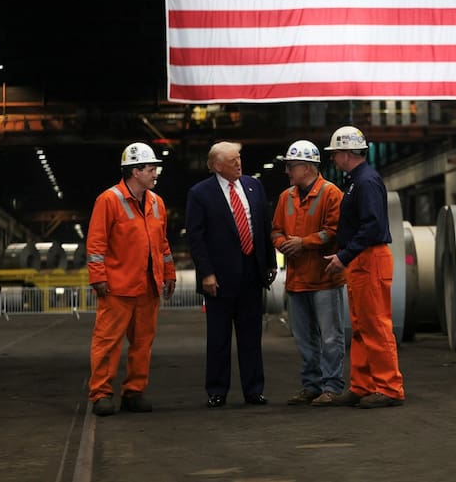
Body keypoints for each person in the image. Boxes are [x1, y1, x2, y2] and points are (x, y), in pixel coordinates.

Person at [86, 142, 177, 417]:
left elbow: (162, 244)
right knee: (107, 341)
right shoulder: (108, 200)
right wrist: (98, 277)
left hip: (148, 287)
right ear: (135, 171)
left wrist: (169, 273)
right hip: (117, 287)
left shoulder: (156, 203)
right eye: (151, 169)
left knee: (142, 343)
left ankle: (134, 392)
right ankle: (101, 394)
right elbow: (96, 244)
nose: (155, 174)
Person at [185, 141, 276, 408]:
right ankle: (217, 390)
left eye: (239, 158)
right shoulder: (200, 193)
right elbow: (196, 238)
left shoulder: (253, 186)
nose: (239, 163)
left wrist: (269, 262)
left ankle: (254, 390)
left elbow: (263, 226)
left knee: (251, 336)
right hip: (219, 278)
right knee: (219, 337)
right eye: (232, 160)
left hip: (251, 273)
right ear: (216, 166)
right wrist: (206, 273)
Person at [322, 125, 405, 409]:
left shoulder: (366, 181)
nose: (333, 158)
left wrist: (344, 256)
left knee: (376, 325)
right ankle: (363, 385)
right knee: (360, 326)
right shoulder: (357, 181)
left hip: (369, 259)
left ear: (346, 153)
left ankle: (389, 387)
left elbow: (372, 227)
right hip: (361, 260)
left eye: (335, 153)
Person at [271, 140, 346, 406]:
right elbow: (276, 230)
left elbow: (335, 231)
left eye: (291, 167)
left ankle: (332, 386)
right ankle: (312, 385)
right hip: (297, 279)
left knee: (330, 336)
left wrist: (303, 242)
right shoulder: (285, 197)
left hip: (325, 277)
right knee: (304, 338)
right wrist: (282, 244)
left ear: (308, 167)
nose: (288, 172)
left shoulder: (331, 194)